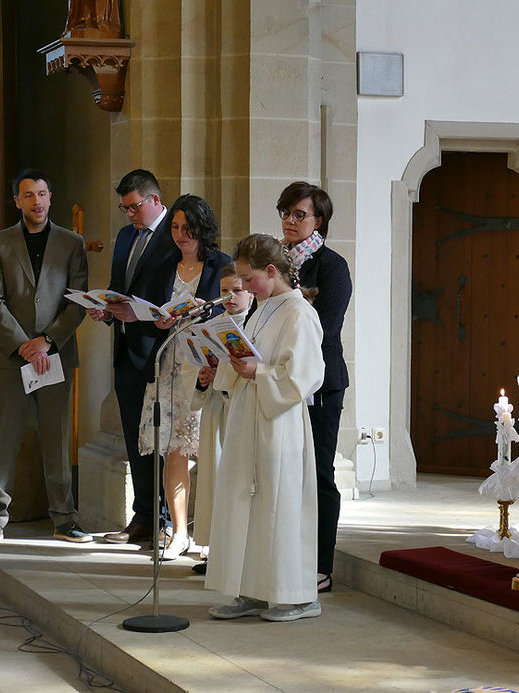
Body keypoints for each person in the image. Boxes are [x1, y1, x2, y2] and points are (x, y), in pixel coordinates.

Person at [206, 234, 325, 623]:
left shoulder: (298, 312)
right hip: (248, 415)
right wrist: (231, 360)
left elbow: (306, 375)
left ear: (272, 272)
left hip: (279, 423)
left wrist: (260, 371)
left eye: (248, 278)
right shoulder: (262, 308)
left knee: (280, 504)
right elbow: (248, 356)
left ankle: (297, 597)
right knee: (246, 502)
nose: (241, 287)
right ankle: (253, 590)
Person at [0, 168, 90, 546]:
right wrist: (24, 343)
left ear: (50, 198)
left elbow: (77, 301)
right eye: (28, 195)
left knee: (57, 438)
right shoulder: (0, 242)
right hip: (13, 357)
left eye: (42, 194)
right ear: (17, 201)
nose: (37, 201)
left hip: (55, 354)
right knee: (5, 437)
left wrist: (47, 341)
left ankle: (64, 518)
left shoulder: (72, 243)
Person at [134, 194, 232, 560]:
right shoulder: (163, 265)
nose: (180, 234)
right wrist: (159, 320)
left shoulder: (221, 265)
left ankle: (214, 533)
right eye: (174, 227)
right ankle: (178, 533)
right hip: (168, 366)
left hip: (206, 367)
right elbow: (148, 312)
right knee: (173, 452)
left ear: (203, 227)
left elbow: (235, 309)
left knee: (210, 452)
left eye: (187, 227)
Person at [89, 169, 177, 547]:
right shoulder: (125, 236)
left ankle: (167, 521)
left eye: (134, 207)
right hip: (125, 351)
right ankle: (142, 517)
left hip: (160, 352)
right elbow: (119, 289)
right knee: (133, 439)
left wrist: (138, 314)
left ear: (155, 200)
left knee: (160, 440)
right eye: (124, 209)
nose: (129, 215)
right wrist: (106, 308)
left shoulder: (176, 236)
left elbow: (176, 296)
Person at [277, 181, 352, 594]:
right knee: (283, 472)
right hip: (278, 381)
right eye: (286, 213)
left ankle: (322, 565)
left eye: (298, 214)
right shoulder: (276, 264)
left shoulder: (332, 266)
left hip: (320, 383)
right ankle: (283, 557)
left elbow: (325, 329)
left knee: (319, 472)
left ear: (318, 219)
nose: (289, 221)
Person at [189, 264, 253, 574]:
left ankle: (236, 553)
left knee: (235, 483)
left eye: (236, 290)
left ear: (250, 291)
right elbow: (204, 374)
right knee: (213, 482)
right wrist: (204, 379)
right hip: (216, 409)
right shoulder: (214, 324)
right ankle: (214, 551)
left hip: (239, 409)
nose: (229, 297)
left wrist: (224, 373)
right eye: (224, 291)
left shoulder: (254, 325)